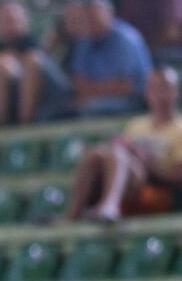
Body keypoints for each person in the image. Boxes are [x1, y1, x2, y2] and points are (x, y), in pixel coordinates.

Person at [67, 67, 182, 223]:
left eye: (164, 88)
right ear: (147, 93)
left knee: (118, 154)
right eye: (154, 88)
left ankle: (110, 206)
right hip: (129, 177)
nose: (159, 94)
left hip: (155, 186)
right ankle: (72, 216)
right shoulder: (136, 125)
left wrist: (148, 162)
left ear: (175, 92)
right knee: (97, 153)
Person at [71, 0, 152, 117]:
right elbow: (80, 84)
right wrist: (99, 90)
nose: (89, 23)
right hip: (96, 99)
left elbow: (127, 87)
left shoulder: (125, 39)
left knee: (89, 109)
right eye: (85, 19)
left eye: (93, 17)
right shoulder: (84, 41)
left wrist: (92, 93)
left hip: (135, 101)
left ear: (109, 14)